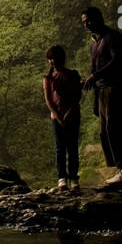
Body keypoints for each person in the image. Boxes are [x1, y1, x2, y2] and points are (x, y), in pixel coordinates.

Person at [80, 7, 122, 187]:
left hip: (117, 89)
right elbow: (94, 69)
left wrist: (94, 77)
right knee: (105, 133)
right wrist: (94, 94)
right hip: (103, 91)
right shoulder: (93, 43)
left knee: (116, 129)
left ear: (99, 18)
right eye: (84, 22)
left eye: (89, 20)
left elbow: (117, 61)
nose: (87, 24)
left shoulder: (113, 37)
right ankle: (118, 170)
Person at [43, 45, 82, 191]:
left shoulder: (73, 74)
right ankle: (61, 177)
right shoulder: (48, 79)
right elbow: (49, 100)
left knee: (72, 147)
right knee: (60, 148)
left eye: (55, 58)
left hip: (73, 115)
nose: (52, 61)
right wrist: (59, 117)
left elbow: (77, 96)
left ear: (62, 59)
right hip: (56, 117)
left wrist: (69, 112)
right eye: (50, 59)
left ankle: (73, 178)